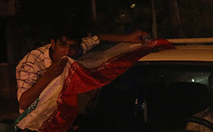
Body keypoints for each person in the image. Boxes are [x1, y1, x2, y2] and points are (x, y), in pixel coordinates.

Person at [16, 28, 149, 114]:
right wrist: (48, 76)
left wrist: (126, 38)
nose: (67, 52)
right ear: (53, 44)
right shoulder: (31, 63)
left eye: (72, 47)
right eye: (63, 45)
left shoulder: (79, 49)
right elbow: (24, 102)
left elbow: (98, 38)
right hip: (35, 122)